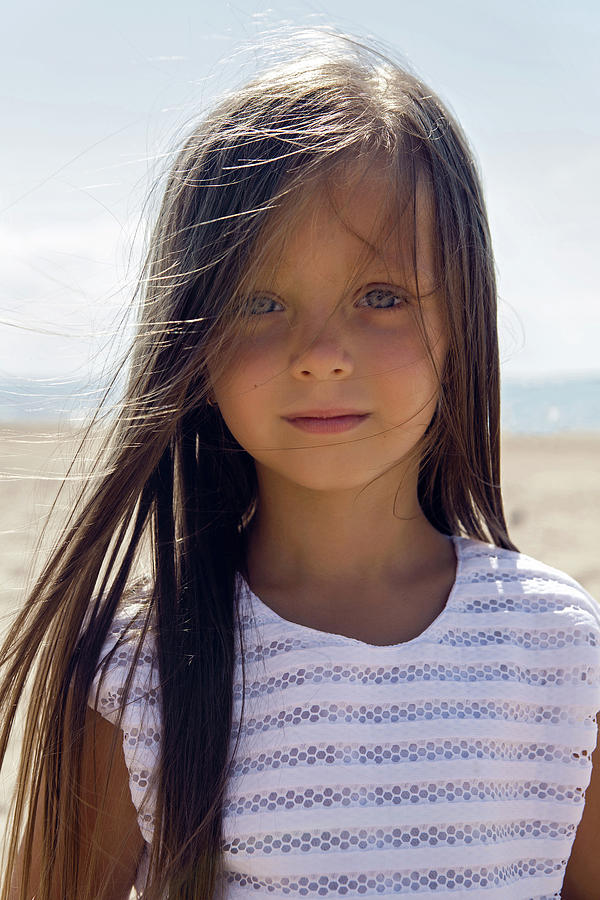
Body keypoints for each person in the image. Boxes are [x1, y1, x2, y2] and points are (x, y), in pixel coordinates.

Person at [1, 28, 599, 900]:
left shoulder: (560, 646)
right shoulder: (139, 669)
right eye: (260, 300)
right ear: (194, 342)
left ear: (463, 320)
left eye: (382, 297)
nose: (320, 353)